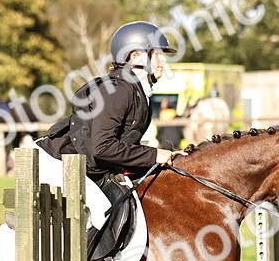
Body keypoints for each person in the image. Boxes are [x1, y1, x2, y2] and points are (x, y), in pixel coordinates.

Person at [39, 20, 177, 222]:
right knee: (103, 217)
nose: (162, 61)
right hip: (60, 163)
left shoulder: (136, 91)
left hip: (87, 165)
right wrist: (154, 154)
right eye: (157, 53)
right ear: (135, 55)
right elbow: (102, 147)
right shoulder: (119, 90)